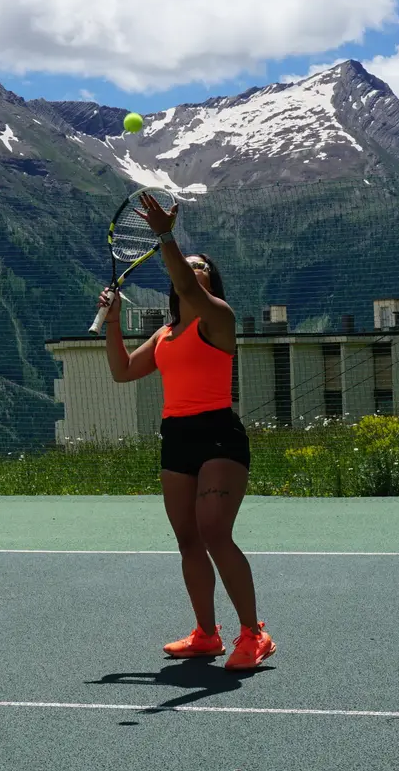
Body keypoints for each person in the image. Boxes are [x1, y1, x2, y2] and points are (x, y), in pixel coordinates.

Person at [96, 192, 275, 671]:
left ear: (210, 283)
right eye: (188, 265)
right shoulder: (164, 335)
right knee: (188, 540)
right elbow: (121, 372)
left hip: (219, 435)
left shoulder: (219, 317)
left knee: (215, 532)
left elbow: (189, 290)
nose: (193, 269)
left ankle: (254, 634)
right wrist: (113, 323)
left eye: (202, 267)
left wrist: (167, 237)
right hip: (175, 437)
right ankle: (206, 635)